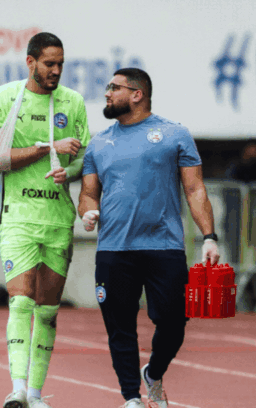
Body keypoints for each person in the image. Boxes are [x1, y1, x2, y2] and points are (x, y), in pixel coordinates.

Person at [78, 68, 220, 408]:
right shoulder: (98, 143)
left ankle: (153, 373)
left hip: (164, 246)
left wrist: (209, 237)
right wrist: (88, 211)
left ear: (137, 94)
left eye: (114, 87)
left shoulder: (174, 134)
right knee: (120, 328)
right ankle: (131, 397)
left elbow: (195, 189)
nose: (107, 93)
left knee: (174, 322)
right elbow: (88, 193)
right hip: (114, 249)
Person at [0, 32, 90, 408]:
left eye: (61, 64)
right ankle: (16, 390)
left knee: (47, 311)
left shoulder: (73, 102)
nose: (56, 71)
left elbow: (83, 159)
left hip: (57, 219)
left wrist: (69, 171)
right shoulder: (4, 97)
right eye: (49, 64)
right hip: (18, 217)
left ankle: (35, 394)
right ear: (30, 62)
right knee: (20, 302)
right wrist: (49, 148)